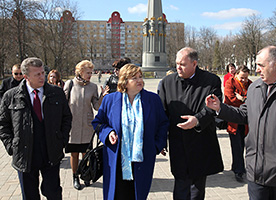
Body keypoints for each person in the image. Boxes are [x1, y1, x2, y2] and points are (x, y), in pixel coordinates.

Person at [206, 46, 276, 200]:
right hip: (256, 173)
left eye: (261, 65)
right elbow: (244, 114)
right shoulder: (255, 88)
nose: (257, 70)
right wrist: (220, 108)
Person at [92, 64, 169, 200]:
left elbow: (163, 124)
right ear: (124, 82)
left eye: (140, 77)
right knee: (117, 194)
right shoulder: (110, 100)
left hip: (142, 159)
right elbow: (98, 122)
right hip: (116, 160)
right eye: (134, 78)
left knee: (137, 194)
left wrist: (156, 146)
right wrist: (108, 132)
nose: (140, 80)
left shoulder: (152, 100)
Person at [0, 57, 72, 199]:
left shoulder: (56, 93)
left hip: (50, 151)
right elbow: (3, 124)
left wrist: (61, 140)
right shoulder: (11, 96)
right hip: (25, 154)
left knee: (53, 193)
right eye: (37, 74)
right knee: (30, 195)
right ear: (26, 77)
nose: (42, 77)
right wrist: (12, 146)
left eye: (42, 73)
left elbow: (66, 118)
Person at [159, 47, 223, 199]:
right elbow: (162, 114)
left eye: (182, 64)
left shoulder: (211, 81)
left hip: (200, 142)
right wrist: (161, 140)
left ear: (194, 64)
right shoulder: (167, 82)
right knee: (180, 185)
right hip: (178, 143)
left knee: (197, 189)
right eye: (176, 64)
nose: (178, 67)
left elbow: (212, 108)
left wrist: (197, 120)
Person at [63, 60, 103, 190]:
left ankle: (85, 175)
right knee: (74, 153)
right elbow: (63, 105)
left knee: (86, 154)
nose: (90, 75)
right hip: (73, 126)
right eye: (88, 72)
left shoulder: (92, 87)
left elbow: (96, 106)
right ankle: (75, 176)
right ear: (80, 72)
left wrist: (103, 96)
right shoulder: (70, 84)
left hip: (87, 126)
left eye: (91, 73)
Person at [224, 65, 252, 183]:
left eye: (246, 78)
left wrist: (243, 99)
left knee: (246, 145)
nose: (244, 80)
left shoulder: (250, 84)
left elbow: (253, 99)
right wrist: (245, 101)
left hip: (246, 122)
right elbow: (230, 99)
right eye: (242, 78)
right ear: (236, 75)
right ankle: (239, 170)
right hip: (234, 120)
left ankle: (238, 166)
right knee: (237, 146)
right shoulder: (230, 83)